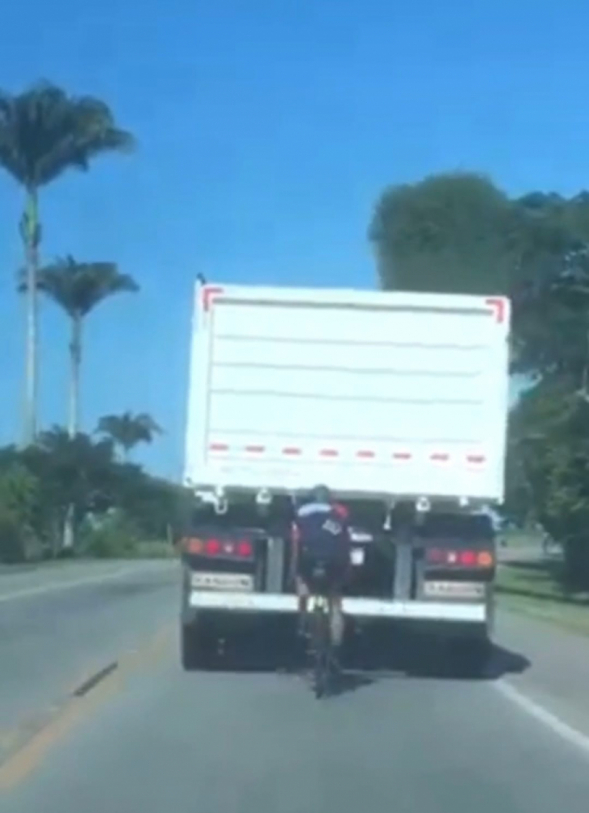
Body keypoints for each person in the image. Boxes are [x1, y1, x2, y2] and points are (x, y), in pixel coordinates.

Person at [290, 484, 352, 654]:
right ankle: (336, 647)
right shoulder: (338, 517)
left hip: (309, 561)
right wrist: (347, 571)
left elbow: (296, 546)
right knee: (335, 603)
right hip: (334, 562)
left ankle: (302, 622)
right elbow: (345, 546)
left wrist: (295, 573)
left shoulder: (301, 517)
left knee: (303, 587)